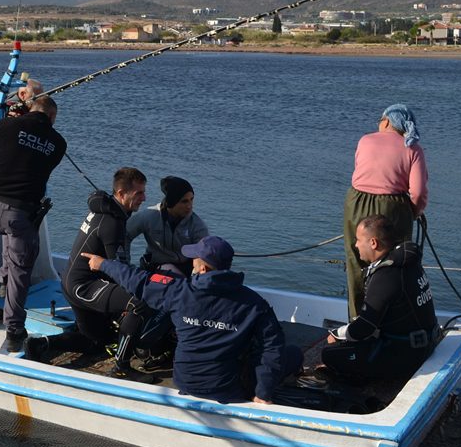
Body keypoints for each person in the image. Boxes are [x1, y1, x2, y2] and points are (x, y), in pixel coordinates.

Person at [79, 235, 302, 403]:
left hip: (186, 381)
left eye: (194, 259)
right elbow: (273, 347)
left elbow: (138, 280)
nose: (191, 262)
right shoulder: (254, 304)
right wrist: (263, 393)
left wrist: (103, 264)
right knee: (292, 354)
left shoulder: (177, 292)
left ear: (203, 268)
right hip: (226, 388)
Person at [0, 95, 67, 353]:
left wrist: (8, 125)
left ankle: (3, 281)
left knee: (11, 241)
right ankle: (14, 331)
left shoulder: (7, 126)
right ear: (52, 118)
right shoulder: (58, 144)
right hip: (20, 215)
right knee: (21, 272)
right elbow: (33, 162)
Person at [63, 167, 163, 382]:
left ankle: (42, 344)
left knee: (98, 341)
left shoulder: (106, 208)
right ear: (120, 194)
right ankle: (121, 368)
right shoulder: (113, 222)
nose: (144, 198)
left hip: (73, 284)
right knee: (140, 303)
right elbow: (120, 272)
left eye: (144, 193)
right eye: (138, 194)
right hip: (85, 286)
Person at [322, 215, 438, 382]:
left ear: (373, 243)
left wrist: (336, 334)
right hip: (425, 343)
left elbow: (363, 329)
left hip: (404, 357)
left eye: (358, 240)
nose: (355, 245)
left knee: (329, 354)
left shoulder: (386, 275)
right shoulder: (408, 262)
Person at [343, 103, 428, 318]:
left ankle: (357, 320)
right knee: (396, 263)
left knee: (356, 261)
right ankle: (391, 319)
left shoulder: (365, 140)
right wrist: (414, 213)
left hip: (357, 202)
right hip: (394, 207)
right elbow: (417, 192)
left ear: (387, 121)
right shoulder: (413, 149)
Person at [126, 175, 209, 275]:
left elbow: (202, 255)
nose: (190, 206)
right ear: (171, 203)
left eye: (192, 199)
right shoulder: (149, 216)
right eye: (184, 201)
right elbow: (124, 235)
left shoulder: (197, 225)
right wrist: (125, 264)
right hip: (154, 266)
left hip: (186, 268)